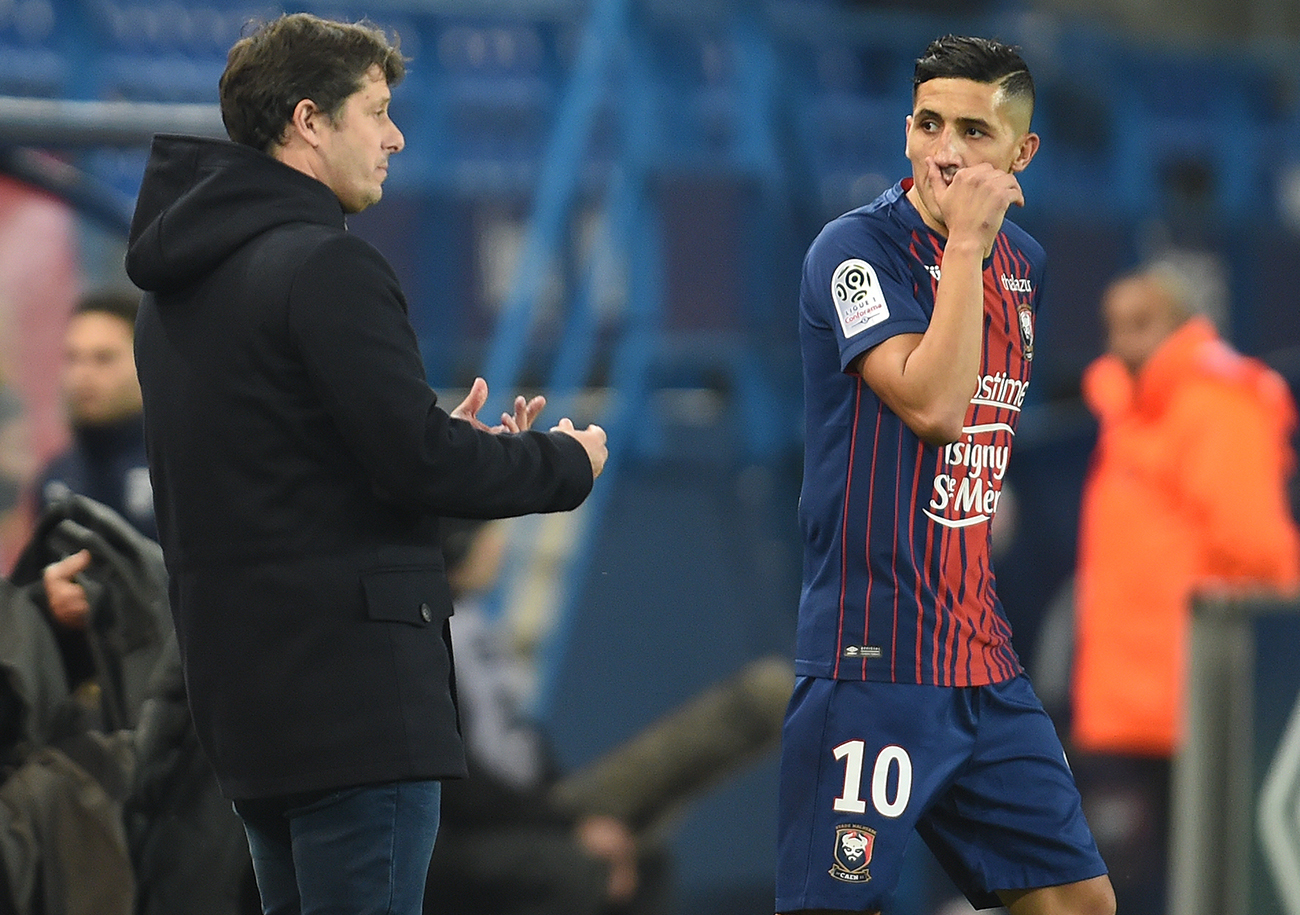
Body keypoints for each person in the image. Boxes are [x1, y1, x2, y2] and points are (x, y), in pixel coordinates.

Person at [122, 12, 607, 915]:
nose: (395, 137)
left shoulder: (171, 295)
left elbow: (290, 471)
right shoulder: (328, 268)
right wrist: (560, 462)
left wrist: (450, 442)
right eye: (377, 111)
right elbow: (417, 463)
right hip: (357, 709)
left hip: (250, 715)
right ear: (309, 120)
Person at [776, 35, 1114, 915]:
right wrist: (963, 247)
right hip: (872, 663)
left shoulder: (1025, 267)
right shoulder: (852, 253)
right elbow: (932, 409)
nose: (946, 151)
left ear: (1022, 155)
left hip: (981, 657)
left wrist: (977, 249)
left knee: (1080, 902)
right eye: (928, 124)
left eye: (974, 131)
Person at [1070, 258, 1300, 914]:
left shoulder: (1217, 404)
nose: (1123, 341)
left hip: (1196, 701)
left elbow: (1258, 545)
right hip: (1131, 700)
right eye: (1114, 325)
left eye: (1141, 324)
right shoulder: (1127, 408)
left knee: (1188, 886)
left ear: (1180, 323)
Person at [426, 519, 791, 915]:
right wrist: (566, 827)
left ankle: (775, 697)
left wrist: (568, 819)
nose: (500, 546)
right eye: (489, 535)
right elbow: (463, 785)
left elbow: (522, 747)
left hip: (533, 805)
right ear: (459, 547)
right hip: (481, 827)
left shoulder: (475, 624)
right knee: (576, 868)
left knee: (646, 854)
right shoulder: (429, 642)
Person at [30, 292, 154, 634]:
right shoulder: (54, 479)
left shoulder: (182, 464)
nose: (83, 374)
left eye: (103, 358)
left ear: (145, 360)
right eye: (73, 358)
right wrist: (49, 598)